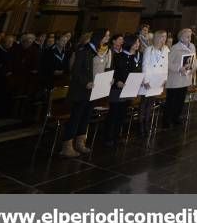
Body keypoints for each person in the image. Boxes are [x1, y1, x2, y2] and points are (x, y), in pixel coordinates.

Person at [60, 29, 110, 158]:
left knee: (86, 117)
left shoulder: (98, 51)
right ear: (99, 37)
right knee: (76, 117)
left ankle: (80, 142)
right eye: (106, 36)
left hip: (93, 90)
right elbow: (76, 70)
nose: (107, 38)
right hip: (81, 90)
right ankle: (67, 146)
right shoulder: (84, 50)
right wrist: (86, 82)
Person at [105, 35, 142, 147]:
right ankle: (108, 137)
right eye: (135, 42)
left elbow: (137, 72)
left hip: (128, 90)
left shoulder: (135, 58)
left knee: (122, 114)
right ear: (129, 43)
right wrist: (117, 81)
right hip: (117, 89)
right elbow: (113, 72)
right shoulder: (118, 56)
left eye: (138, 43)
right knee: (114, 113)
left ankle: (117, 135)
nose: (137, 45)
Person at [164, 28, 196, 127]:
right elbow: (168, 63)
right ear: (181, 37)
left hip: (185, 79)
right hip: (175, 79)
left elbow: (194, 60)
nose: (189, 38)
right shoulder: (175, 48)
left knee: (180, 100)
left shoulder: (192, 47)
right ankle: (167, 120)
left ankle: (176, 118)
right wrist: (179, 68)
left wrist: (193, 68)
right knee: (172, 100)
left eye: (190, 36)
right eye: (187, 36)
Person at [139, 30, 168, 137]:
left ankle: (147, 124)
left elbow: (166, 65)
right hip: (149, 80)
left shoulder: (166, 49)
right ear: (156, 37)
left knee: (151, 103)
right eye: (162, 37)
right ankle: (141, 125)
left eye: (165, 37)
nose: (164, 39)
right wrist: (145, 80)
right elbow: (145, 65)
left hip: (158, 79)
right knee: (144, 102)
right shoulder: (148, 49)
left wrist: (164, 79)